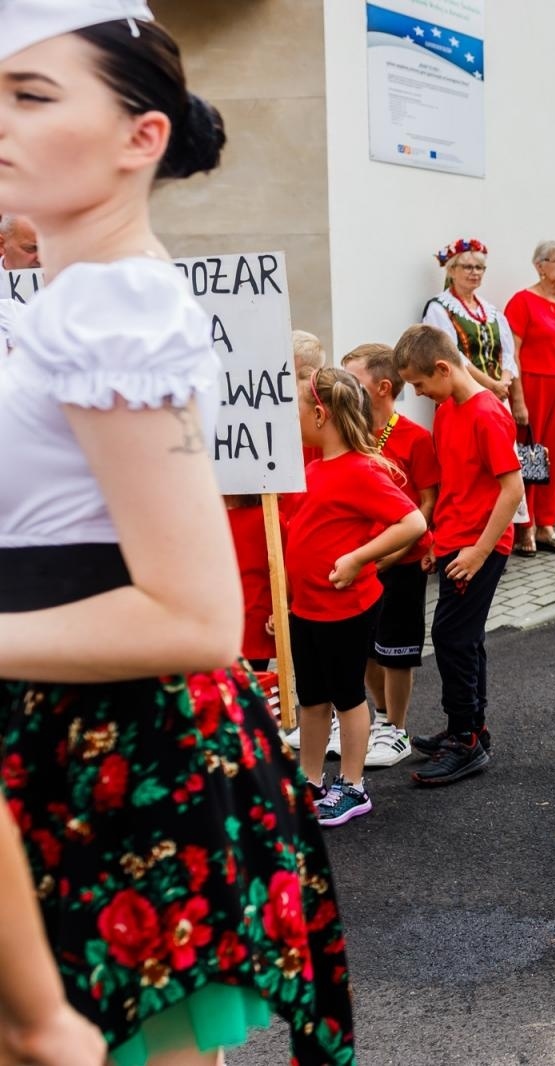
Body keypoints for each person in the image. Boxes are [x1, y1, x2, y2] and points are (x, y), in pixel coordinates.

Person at [0, 5, 356, 1062]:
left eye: (31, 95)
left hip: (111, 740)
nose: (0, 122)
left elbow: (198, 613)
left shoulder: (110, 306)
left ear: (139, 137)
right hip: (65, 729)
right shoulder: (66, 298)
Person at [286, 367, 426, 825]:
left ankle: (352, 786)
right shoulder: (312, 468)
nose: (294, 415)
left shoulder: (362, 471)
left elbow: (412, 523)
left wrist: (357, 559)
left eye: (299, 407)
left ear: (321, 415)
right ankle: (310, 780)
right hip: (304, 607)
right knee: (311, 698)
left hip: (345, 609)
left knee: (347, 697)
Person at [394, 323, 523, 786]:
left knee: (450, 636)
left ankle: (465, 739)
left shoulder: (487, 413)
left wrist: (477, 551)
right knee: (462, 637)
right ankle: (471, 728)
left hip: (480, 544)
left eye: (420, 383)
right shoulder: (448, 409)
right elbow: (455, 483)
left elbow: (512, 490)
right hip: (455, 541)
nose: (419, 393)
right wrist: (436, 540)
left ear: (444, 368)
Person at [343, 343, 441, 768]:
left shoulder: (415, 438)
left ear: (382, 387)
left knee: (396, 649)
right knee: (364, 645)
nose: (345, 388)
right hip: (361, 558)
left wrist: (396, 549)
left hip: (400, 562)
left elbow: (427, 500)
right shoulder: (351, 434)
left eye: (354, 381)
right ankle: (379, 715)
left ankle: (395, 728)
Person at [421, 238, 535, 553]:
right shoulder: (440, 308)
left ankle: (502, 532)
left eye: (480, 268)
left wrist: (506, 383)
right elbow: (454, 357)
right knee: (465, 469)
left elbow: (508, 354)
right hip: (461, 400)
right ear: (452, 269)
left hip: (493, 400)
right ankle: (461, 532)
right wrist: (491, 384)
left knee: (502, 467)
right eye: (468, 267)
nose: (475, 273)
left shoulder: (491, 311)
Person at [504, 240, 555, 554]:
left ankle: (548, 524)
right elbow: (512, 354)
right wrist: (518, 399)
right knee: (531, 455)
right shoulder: (522, 301)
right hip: (533, 385)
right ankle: (526, 526)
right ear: (539, 265)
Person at [225, 494, 277, 670]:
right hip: (217, 626)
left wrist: (282, 611)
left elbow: (283, 571)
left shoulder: (268, 520)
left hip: (254, 625)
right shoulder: (203, 520)